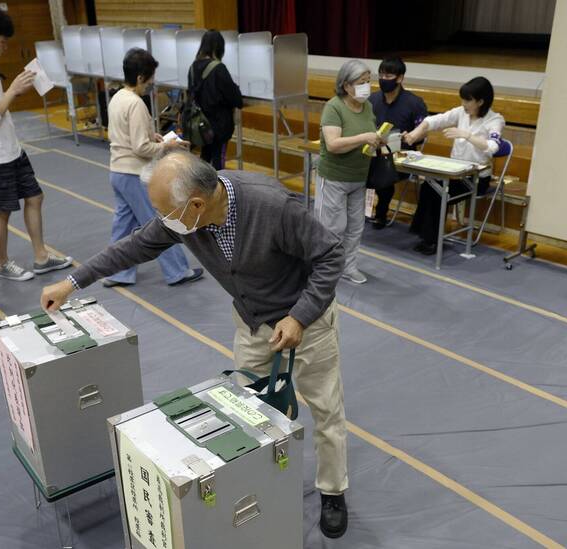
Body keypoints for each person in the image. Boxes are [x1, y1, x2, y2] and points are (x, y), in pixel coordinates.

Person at [41, 151, 351, 539]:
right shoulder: (185, 216)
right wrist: (71, 283)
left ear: (197, 204)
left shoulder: (271, 206)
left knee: (326, 411)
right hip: (254, 323)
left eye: (164, 211)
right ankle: (256, 486)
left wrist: (300, 316)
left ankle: (333, 491)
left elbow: (330, 254)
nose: (161, 219)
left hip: (308, 322)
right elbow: (133, 247)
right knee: (249, 411)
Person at [0, 5, 72, 281]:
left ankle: (41, 256)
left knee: (35, 196)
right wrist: (13, 91)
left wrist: (15, 91)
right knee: (1, 212)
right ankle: (2, 263)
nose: (5, 48)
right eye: (2, 42)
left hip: (11, 147)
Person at [102, 48, 203, 288]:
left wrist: (152, 135)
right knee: (160, 223)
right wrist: (167, 145)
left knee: (123, 227)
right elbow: (140, 148)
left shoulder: (117, 97)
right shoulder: (136, 103)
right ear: (140, 77)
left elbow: (127, 135)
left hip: (117, 170)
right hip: (133, 173)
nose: (151, 84)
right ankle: (177, 271)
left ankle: (117, 271)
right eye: (150, 79)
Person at [404, 77, 505, 255]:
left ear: (481, 101)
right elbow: (435, 120)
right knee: (428, 185)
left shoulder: (495, 120)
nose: (463, 104)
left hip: (476, 177)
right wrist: (415, 133)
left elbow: (492, 147)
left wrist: (466, 135)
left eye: (468, 100)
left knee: (437, 191)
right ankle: (424, 235)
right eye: (463, 99)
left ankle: (431, 240)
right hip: (454, 172)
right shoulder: (460, 112)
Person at [316, 59, 382, 285]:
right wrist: (364, 138)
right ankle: (325, 268)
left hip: (359, 177)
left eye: (368, 81)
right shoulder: (334, 107)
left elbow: (370, 133)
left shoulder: (368, 107)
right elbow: (333, 144)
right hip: (334, 177)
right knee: (333, 227)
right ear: (346, 86)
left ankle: (348, 266)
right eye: (361, 82)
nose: (367, 87)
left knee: (355, 227)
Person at [368, 57, 428, 229]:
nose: (383, 79)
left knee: (382, 167)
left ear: (400, 78)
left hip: (401, 154)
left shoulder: (414, 103)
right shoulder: (372, 100)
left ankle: (381, 213)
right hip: (373, 148)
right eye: (381, 75)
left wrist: (411, 135)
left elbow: (422, 132)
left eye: (388, 76)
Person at [187, 30, 243, 170]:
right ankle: (218, 189)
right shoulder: (219, 68)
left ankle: (203, 186)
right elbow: (235, 98)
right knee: (218, 160)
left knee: (205, 157)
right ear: (219, 48)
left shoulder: (193, 67)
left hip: (200, 124)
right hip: (219, 125)